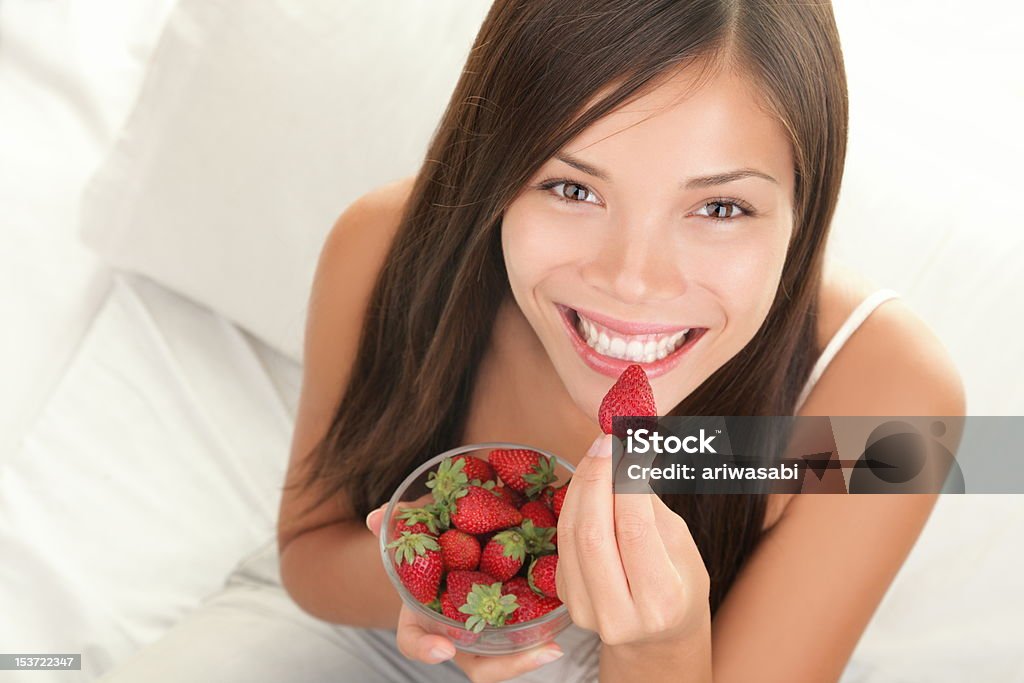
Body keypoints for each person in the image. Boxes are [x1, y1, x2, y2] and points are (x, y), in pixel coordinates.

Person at [98, 1, 965, 681]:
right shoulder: (383, 247)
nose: (633, 279)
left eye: (720, 207)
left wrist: (657, 645)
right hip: (368, 630)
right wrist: (441, 583)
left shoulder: (888, 403)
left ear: (804, 211)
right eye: (571, 187)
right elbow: (310, 559)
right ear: (500, 166)